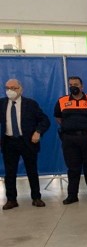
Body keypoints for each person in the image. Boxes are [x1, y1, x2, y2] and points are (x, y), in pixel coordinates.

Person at [1, 79, 51, 210]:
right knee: (10, 172)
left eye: (14, 88)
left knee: (32, 170)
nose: (10, 91)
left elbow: (44, 120)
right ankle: (11, 200)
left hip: (27, 142)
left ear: (21, 89)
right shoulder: (1, 104)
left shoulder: (30, 104)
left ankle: (36, 197)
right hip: (8, 142)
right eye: (8, 88)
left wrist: (38, 132)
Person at [55, 76, 87, 204]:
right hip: (70, 139)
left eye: (76, 84)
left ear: (82, 86)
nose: (74, 86)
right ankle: (72, 195)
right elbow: (58, 118)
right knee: (73, 168)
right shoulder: (62, 101)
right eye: (71, 84)